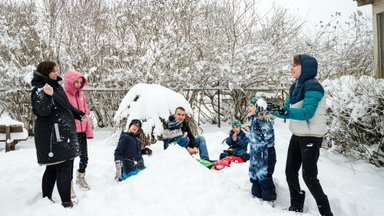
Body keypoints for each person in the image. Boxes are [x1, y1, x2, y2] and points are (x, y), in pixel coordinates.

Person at [272, 54, 333, 216]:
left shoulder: (313, 86)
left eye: (295, 65)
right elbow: (287, 112)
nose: (291, 67)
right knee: (290, 172)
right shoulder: (295, 86)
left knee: (309, 176)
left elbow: (307, 113)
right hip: (298, 134)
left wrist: (286, 111)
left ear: (305, 67)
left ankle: (326, 212)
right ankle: (296, 207)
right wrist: (272, 109)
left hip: (311, 136)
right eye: (291, 64)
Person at [31, 61, 84, 208]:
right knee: (63, 167)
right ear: (46, 72)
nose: (56, 73)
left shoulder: (56, 86)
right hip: (53, 136)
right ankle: (67, 203)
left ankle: (46, 200)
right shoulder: (39, 90)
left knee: (53, 168)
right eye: (53, 71)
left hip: (62, 134)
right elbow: (42, 111)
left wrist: (79, 114)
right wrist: (47, 96)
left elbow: (66, 106)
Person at [64, 70, 93, 191]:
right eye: (76, 82)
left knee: (84, 157)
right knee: (69, 159)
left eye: (80, 82)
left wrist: (88, 129)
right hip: (70, 131)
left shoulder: (81, 95)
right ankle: (67, 183)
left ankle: (80, 176)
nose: (78, 84)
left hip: (81, 131)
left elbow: (85, 113)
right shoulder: (64, 95)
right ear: (70, 82)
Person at [247, 98, 277, 202]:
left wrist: (259, 144)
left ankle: (269, 200)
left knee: (264, 175)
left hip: (265, 153)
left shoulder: (262, 119)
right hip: (256, 152)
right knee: (254, 174)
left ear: (258, 107)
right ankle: (257, 197)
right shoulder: (252, 118)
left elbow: (268, 137)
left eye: (251, 105)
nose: (249, 107)